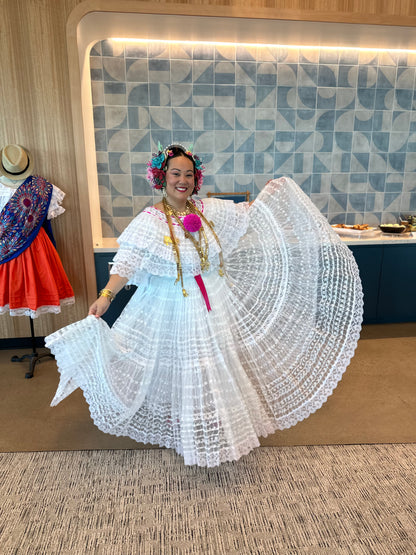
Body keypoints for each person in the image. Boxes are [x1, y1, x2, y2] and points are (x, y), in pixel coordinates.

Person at [45, 144, 363, 467]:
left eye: (188, 174)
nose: (182, 180)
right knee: (178, 362)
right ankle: (178, 421)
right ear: (161, 177)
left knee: (213, 360)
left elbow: (246, 213)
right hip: (170, 305)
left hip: (212, 299)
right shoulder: (150, 220)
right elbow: (127, 262)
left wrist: (267, 194)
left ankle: (211, 419)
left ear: (195, 179)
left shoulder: (206, 209)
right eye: (175, 174)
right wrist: (106, 297)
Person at [0, 144, 74, 318]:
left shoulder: (43, 188)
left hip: (35, 249)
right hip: (10, 251)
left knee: (35, 289)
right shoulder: (42, 188)